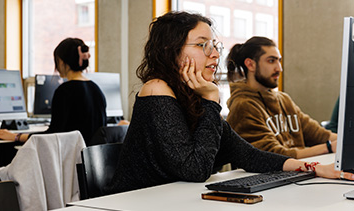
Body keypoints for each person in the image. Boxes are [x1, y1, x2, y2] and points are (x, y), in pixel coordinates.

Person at [107, 11, 353, 195]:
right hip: (135, 203)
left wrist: (313, 168)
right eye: (203, 45)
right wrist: (212, 100)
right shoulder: (157, 89)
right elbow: (195, 170)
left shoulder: (194, 97)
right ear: (171, 49)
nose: (214, 54)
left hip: (172, 200)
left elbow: (250, 156)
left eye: (214, 46)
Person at [226, 36, 337, 159]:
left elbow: (319, 135)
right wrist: (329, 147)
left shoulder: (283, 99)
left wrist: (344, 142)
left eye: (279, 61)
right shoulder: (243, 105)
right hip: (268, 176)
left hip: (297, 172)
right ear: (250, 64)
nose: (279, 68)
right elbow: (273, 156)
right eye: (271, 61)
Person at [0, 38, 107, 145]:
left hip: (70, 160)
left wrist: (16, 137)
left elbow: (52, 135)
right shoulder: (96, 89)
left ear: (61, 62)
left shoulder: (65, 91)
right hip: (92, 161)